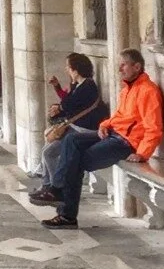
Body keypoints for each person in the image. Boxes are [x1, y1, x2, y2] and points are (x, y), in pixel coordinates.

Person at [43, 48, 164, 229]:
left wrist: (142, 153)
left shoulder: (148, 91)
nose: (119, 69)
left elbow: (153, 127)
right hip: (114, 134)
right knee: (71, 140)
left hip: (125, 143)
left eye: (123, 65)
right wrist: (105, 124)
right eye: (119, 65)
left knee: (75, 161)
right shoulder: (127, 90)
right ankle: (58, 191)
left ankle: (63, 207)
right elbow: (119, 116)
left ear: (137, 67)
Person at [28, 53, 106, 201]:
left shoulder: (88, 86)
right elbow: (70, 103)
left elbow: (69, 104)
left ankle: (56, 189)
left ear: (76, 70)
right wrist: (60, 92)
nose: (66, 70)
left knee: (49, 153)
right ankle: (47, 185)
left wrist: (59, 108)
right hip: (77, 128)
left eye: (68, 67)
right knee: (47, 149)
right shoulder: (80, 85)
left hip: (84, 131)